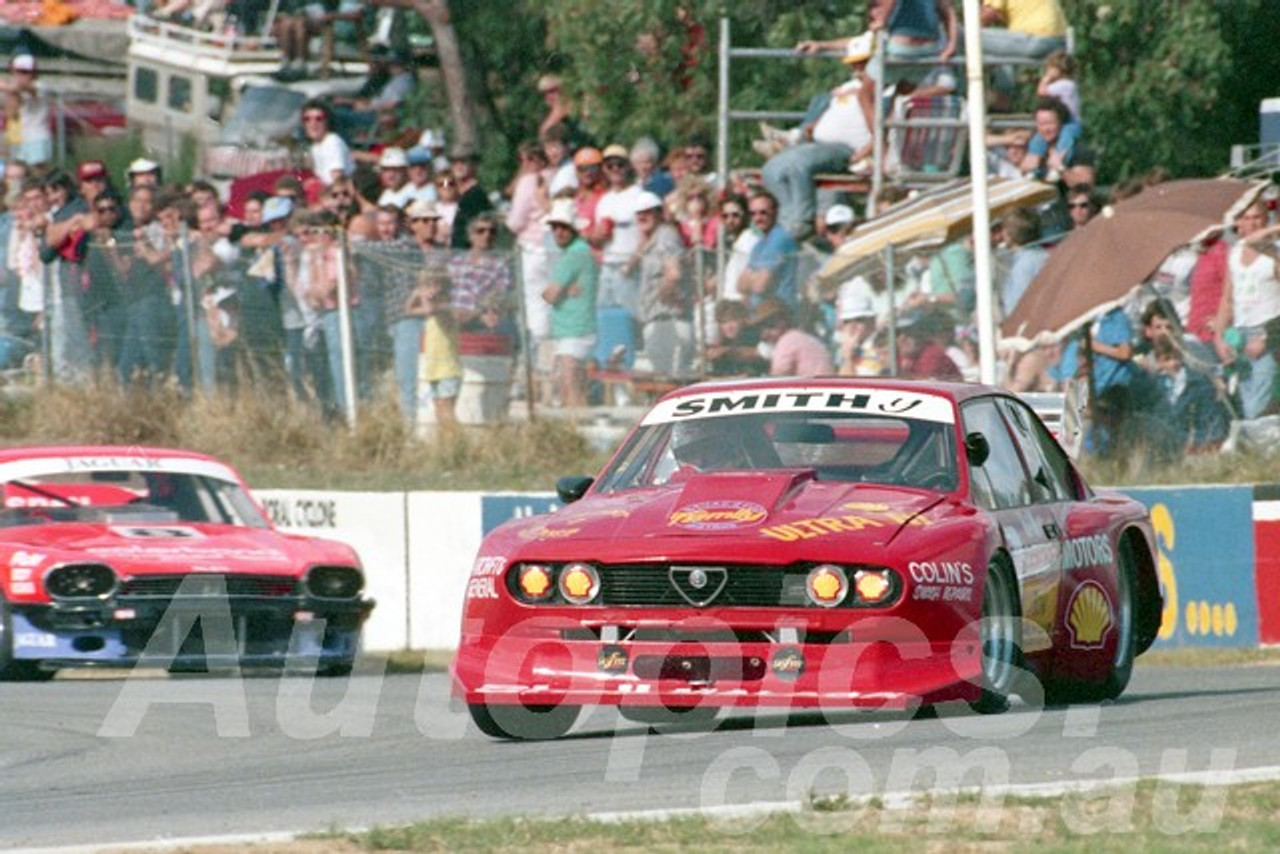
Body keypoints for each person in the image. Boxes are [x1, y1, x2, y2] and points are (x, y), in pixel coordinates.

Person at [763, 33, 876, 241]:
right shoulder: (849, 87)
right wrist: (814, 125)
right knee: (771, 170)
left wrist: (866, 151)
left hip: (845, 149)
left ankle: (802, 221)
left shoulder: (883, 87)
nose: (857, 69)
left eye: (863, 64)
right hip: (818, 144)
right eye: (854, 64)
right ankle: (790, 221)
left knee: (798, 164)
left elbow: (883, 127)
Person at [1213, 200, 1280, 419]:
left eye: (1257, 217)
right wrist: (1219, 336)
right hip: (1240, 332)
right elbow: (1227, 299)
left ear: (1266, 219)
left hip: (1267, 329)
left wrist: (1267, 336)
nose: (1251, 223)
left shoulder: (1274, 253)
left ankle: (1256, 446)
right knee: (1243, 398)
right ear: (1238, 222)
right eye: (1246, 218)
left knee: (1257, 404)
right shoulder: (1235, 252)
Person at [542, 197, 598, 409]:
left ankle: (576, 427)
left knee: (571, 387)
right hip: (578, 328)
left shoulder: (573, 255)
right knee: (575, 386)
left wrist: (557, 290)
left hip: (574, 330)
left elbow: (550, 295)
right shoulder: (581, 251)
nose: (558, 232)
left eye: (563, 227)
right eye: (555, 227)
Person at [629, 191, 692, 377]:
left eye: (647, 212)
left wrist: (665, 291)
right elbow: (626, 272)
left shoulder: (666, 235)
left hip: (668, 323)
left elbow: (674, 273)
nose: (642, 216)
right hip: (659, 322)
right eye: (639, 213)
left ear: (658, 213)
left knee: (667, 382)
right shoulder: (651, 239)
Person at [1150, 334, 1230, 457]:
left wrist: (1206, 443)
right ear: (1159, 362)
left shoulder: (1198, 382)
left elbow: (1211, 417)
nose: (1173, 363)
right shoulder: (1156, 386)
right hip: (1169, 448)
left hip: (1198, 445)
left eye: (1176, 358)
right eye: (1167, 359)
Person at [404, 268, 462, 428]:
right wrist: (416, 294)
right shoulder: (431, 311)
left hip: (448, 370)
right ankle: (447, 445)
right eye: (426, 285)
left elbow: (431, 309)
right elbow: (408, 310)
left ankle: (458, 442)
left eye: (433, 285)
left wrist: (423, 295)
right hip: (434, 369)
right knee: (438, 411)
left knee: (447, 410)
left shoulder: (446, 308)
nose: (429, 289)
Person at [737, 190, 799, 310]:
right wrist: (755, 279)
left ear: (775, 212)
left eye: (763, 213)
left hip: (779, 314)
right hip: (759, 313)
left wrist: (752, 278)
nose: (758, 218)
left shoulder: (780, 238)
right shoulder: (759, 245)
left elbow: (760, 286)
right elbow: (740, 286)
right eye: (753, 214)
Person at [752, 297, 833, 377]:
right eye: (762, 328)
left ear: (783, 321)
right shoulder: (805, 338)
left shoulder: (787, 342)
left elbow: (777, 377)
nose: (765, 333)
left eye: (770, 325)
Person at [1, 54, 52, 166]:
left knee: (38, 175)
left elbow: (26, 88)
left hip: (36, 139)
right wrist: (11, 93)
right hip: (18, 137)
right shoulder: (12, 88)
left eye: (26, 72)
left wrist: (9, 87)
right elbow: (11, 113)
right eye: (19, 71)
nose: (22, 75)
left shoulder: (40, 86)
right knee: (17, 176)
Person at [705, 299, 768, 377]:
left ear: (743, 319)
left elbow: (755, 354)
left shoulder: (753, 335)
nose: (729, 327)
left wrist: (727, 351)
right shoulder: (724, 342)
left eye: (733, 320)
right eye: (724, 322)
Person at [301, 100, 354, 187]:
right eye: (307, 119)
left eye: (319, 118)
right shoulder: (315, 147)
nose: (313, 123)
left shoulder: (332, 142)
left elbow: (338, 180)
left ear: (327, 122)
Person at [448, 153, 493, 249]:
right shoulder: (456, 192)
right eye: (455, 162)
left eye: (463, 162)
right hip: (453, 252)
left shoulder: (476, 195)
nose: (458, 166)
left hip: (466, 254)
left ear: (473, 165)